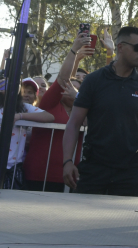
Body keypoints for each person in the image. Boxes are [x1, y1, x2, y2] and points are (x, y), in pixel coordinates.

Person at [62, 26, 138, 197]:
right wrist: (67, 161)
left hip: (130, 172)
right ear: (120, 47)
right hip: (94, 168)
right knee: (81, 222)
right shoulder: (94, 80)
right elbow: (73, 123)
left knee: (130, 222)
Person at [25, 32, 93, 192]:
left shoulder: (86, 112)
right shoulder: (50, 105)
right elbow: (63, 78)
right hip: (39, 175)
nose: (73, 88)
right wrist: (74, 50)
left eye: (78, 87)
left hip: (71, 178)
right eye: (71, 85)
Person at [0, 75, 54, 189]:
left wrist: (20, 116)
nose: (9, 88)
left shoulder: (24, 108)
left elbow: (49, 117)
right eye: (4, 84)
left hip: (13, 168)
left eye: (15, 84)